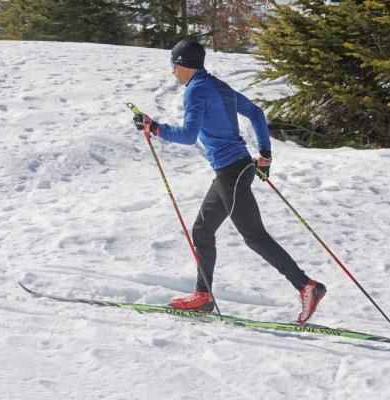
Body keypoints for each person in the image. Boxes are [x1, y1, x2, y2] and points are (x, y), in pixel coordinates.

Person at [132, 39, 326, 324]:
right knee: (202, 229)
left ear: (184, 64)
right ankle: (203, 296)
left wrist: (155, 128)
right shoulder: (216, 85)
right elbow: (256, 113)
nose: (172, 71)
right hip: (234, 170)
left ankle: (306, 286)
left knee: (254, 236)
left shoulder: (196, 90)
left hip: (231, 171)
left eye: (174, 65)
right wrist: (265, 155)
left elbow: (187, 135)